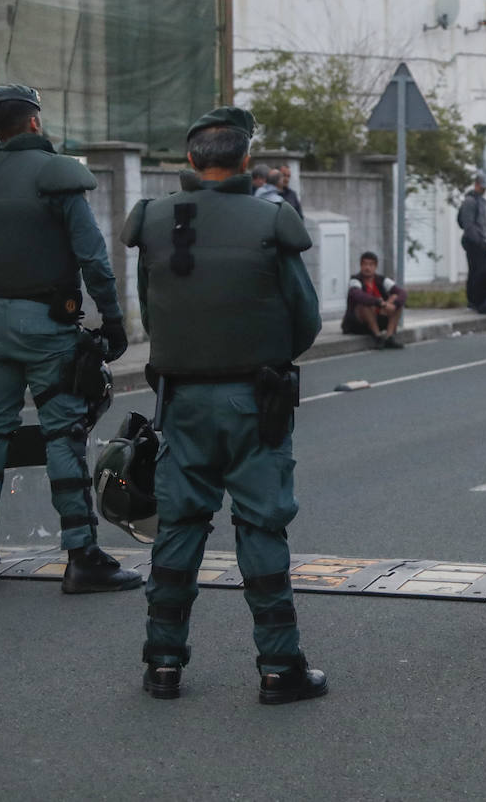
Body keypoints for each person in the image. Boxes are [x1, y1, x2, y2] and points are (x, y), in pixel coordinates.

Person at [122, 105, 325, 703]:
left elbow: (151, 312)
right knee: (261, 526)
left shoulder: (154, 221)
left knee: (179, 526)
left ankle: (162, 665)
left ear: (189, 160)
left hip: (179, 398)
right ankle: (279, 669)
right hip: (254, 399)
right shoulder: (271, 219)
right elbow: (306, 320)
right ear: (246, 161)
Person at [0, 84, 138, 594]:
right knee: (63, 434)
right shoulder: (57, 174)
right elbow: (93, 258)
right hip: (47, 325)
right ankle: (82, 556)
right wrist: (114, 321)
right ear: (33, 121)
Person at [341, 252, 406, 349]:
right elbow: (358, 295)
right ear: (361, 265)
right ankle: (378, 337)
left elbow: (402, 292)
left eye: (371, 264)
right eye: (365, 264)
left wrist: (394, 304)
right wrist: (380, 303)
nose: (367, 267)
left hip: (379, 317)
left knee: (396, 299)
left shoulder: (382, 280)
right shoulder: (355, 280)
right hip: (358, 324)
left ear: (375, 266)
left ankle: (389, 337)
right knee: (365, 303)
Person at [458, 170, 486, 305]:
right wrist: (477, 241)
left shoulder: (481, 201)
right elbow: (468, 224)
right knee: (475, 271)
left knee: (480, 271)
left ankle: (479, 297)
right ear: (476, 184)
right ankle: (473, 299)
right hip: (473, 241)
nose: (484, 190)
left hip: (480, 240)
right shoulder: (470, 201)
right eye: (482, 187)